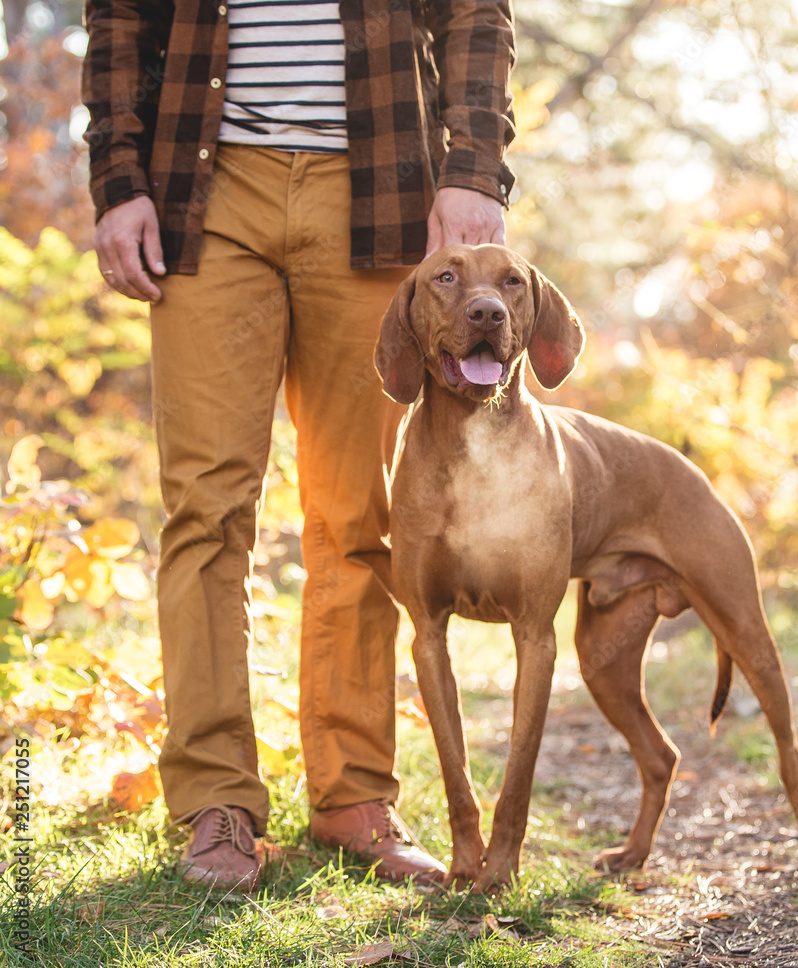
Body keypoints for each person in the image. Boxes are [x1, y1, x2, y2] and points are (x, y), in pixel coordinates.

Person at [82, 0, 516, 892]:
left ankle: (355, 796)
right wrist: (117, 180)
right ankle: (215, 802)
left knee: (359, 510)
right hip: (200, 184)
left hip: (378, 180)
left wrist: (474, 165)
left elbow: (477, 11)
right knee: (204, 509)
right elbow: (119, 17)